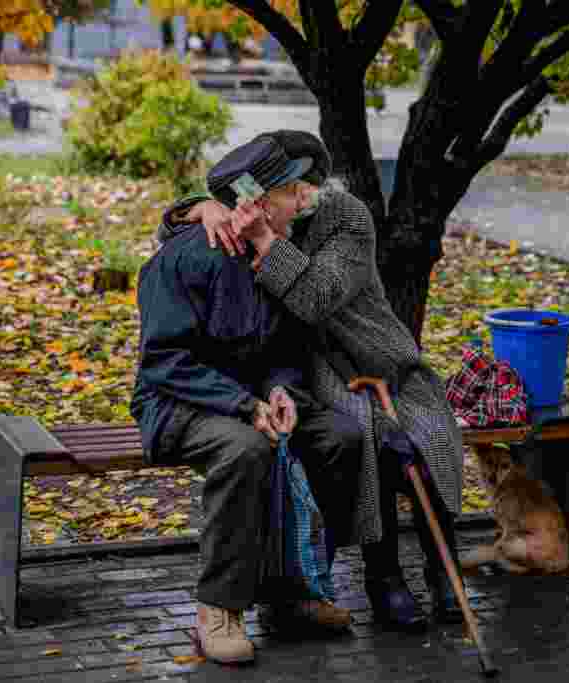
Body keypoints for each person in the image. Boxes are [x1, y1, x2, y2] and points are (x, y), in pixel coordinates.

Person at [158, 131, 465, 631]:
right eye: (291, 187)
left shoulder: (344, 216)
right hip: (317, 370)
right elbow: (179, 233)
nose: (302, 195)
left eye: (307, 184)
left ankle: (445, 574)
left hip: (381, 357)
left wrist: (262, 240)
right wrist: (199, 209)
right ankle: (383, 578)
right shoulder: (256, 214)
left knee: (428, 436)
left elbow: (318, 297)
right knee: (373, 442)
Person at [130, 137, 364, 665]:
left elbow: (284, 351)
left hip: (250, 401)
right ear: (254, 202)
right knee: (245, 451)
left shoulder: (274, 254)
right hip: (177, 403)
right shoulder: (186, 259)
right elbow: (163, 362)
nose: (304, 201)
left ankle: (296, 593)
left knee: (339, 438)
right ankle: (219, 607)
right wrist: (243, 405)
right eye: (291, 192)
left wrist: (281, 390)